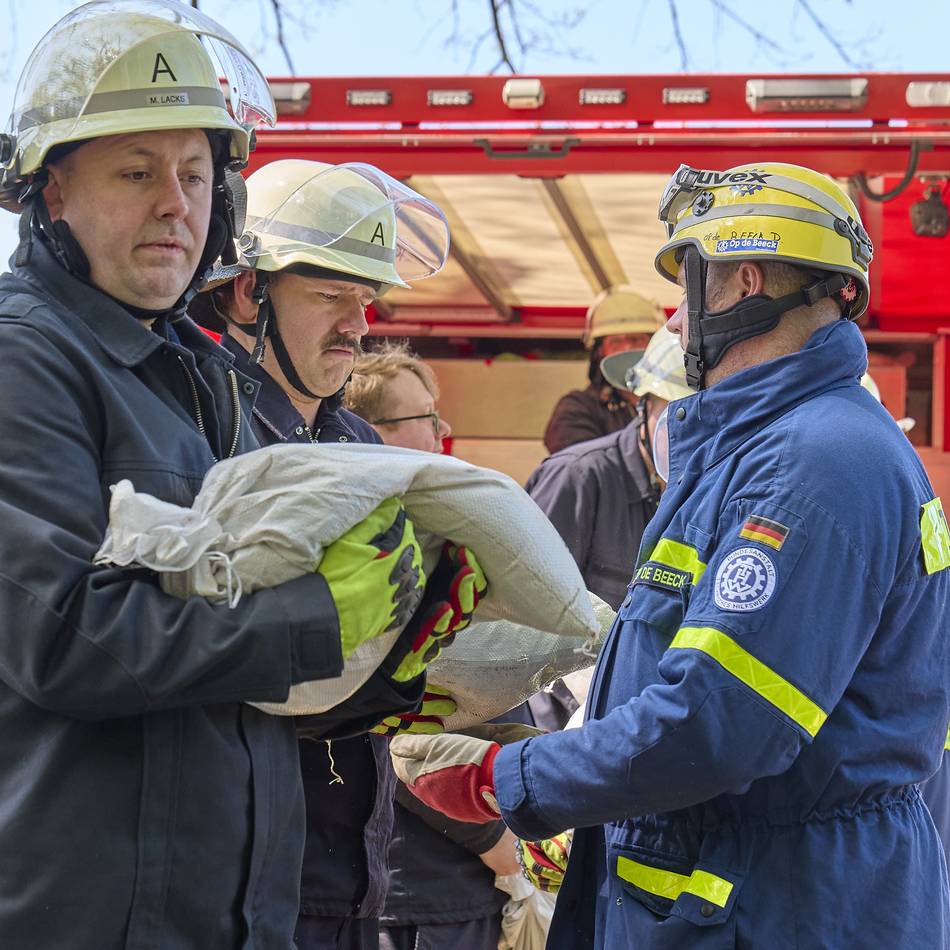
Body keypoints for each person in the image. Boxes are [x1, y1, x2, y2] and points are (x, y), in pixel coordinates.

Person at [388, 162, 950, 948]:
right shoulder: (774, 447)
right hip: (752, 893)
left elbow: (720, 723)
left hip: (778, 909)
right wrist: (557, 748)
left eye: (688, 286)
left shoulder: (809, 463)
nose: (678, 324)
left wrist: (506, 780)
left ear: (744, 283)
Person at [0, 4, 447, 948]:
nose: (176, 203)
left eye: (196, 174)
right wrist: (317, 620)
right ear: (52, 191)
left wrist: (388, 662)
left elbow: (231, 674)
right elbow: (62, 635)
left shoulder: (199, 379)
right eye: (137, 172)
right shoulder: (24, 359)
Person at [188, 158, 479, 950]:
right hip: (243, 880)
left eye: (366, 298)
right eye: (330, 296)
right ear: (247, 292)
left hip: (353, 868)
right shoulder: (200, 432)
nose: (357, 323)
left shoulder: (356, 442)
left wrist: (415, 664)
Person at [526, 327, 694, 609]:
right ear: (642, 406)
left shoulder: (710, 492)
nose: (694, 437)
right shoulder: (576, 477)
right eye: (678, 415)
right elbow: (529, 605)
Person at [542, 285, 665, 454]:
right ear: (600, 351)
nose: (627, 348)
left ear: (656, 344)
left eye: (636, 339)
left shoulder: (679, 400)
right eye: (616, 342)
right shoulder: (577, 408)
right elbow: (579, 462)